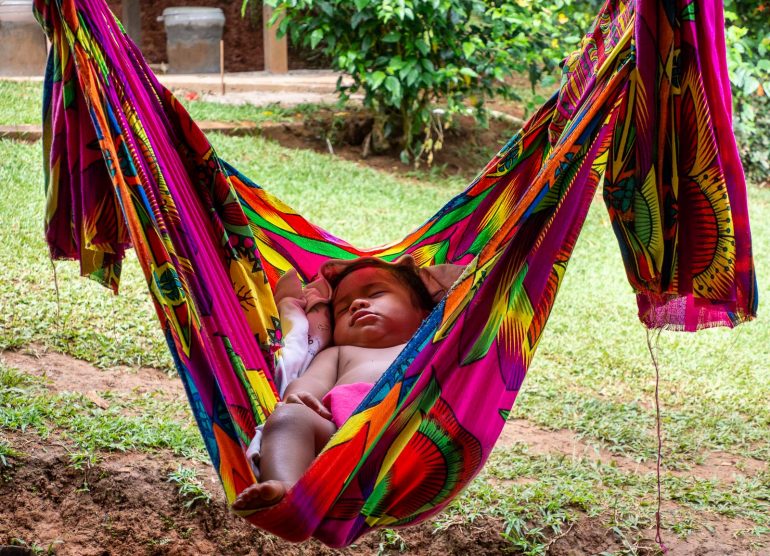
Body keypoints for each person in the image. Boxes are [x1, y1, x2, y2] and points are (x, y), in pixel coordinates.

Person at [233, 256, 462, 511]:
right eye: (342, 309)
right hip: (340, 442)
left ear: (424, 314)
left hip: (416, 436)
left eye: (376, 293)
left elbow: (475, 295)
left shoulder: (435, 344)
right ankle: (286, 494)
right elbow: (309, 383)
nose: (357, 304)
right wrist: (298, 399)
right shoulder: (339, 353)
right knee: (288, 417)